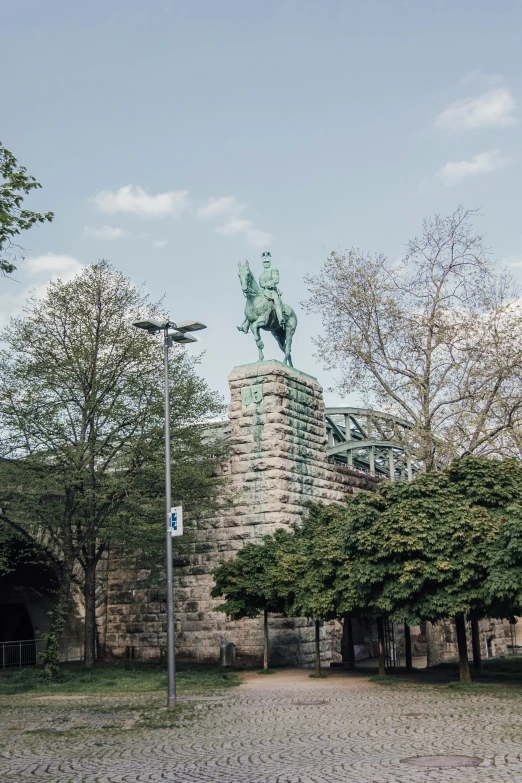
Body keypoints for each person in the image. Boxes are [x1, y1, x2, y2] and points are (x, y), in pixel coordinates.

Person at [259, 251, 285, 327]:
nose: (266, 263)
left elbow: (276, 279)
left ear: (269, 263)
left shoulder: (273, 270)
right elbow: (261, 284)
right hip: (264, 292)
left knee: (277, 302)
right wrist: (265, 285)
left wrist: (267, 284)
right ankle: (246, 324)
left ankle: (280, 319)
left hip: (272, 292)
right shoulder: (261, 275)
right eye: (264, 262)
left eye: (267, 262)